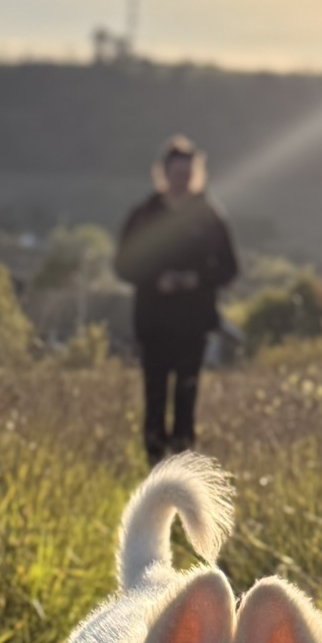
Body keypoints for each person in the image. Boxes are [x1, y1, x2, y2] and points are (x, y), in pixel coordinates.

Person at [114, 135, 239, 465]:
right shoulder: (143, 216)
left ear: (195, 174)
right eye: (175, 172)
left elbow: (230, 267)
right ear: (164, 173)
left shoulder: (210, 217)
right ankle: (154, 466)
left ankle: (182, 468)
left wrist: (195, 280)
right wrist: (157, 280)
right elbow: (123, 265)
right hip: (153, 322)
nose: (181, 178)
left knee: (187, 395)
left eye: (187, 172)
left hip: (194, 323)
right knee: (154, 395)